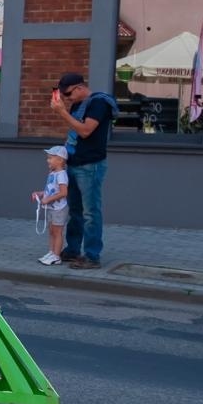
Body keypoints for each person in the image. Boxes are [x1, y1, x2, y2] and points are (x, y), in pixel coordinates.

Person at [52, 72, 117, 269]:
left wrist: (62, 113)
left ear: (80, 88)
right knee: (75, 211)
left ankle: (92, 256)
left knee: (91, 213)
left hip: (91, 165)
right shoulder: (77, 104)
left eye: (69, 94)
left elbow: (86, 131)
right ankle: (73, 250)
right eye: (64, 96)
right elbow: (74, 133)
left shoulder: (99, 103)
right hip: (74, 163)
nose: (67, 98)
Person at [33, 146, 70, 266]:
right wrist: (40, 194)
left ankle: (56, 256)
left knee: (57, 232)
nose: (47, 160)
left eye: (50, 158)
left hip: (59, 209)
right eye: (48, 158)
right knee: (51, 231)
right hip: (51, 208)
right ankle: (51, 252)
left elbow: (64, 192)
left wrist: (48, 199)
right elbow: (51, 190)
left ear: (60, 160)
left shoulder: (61, 175)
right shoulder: (52, 174)